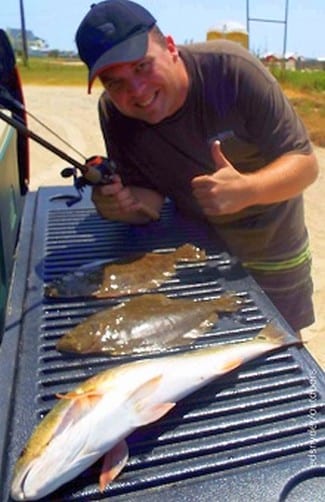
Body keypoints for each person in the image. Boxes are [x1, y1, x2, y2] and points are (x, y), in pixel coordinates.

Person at [75, 0, 319, 333]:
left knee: (281, 346)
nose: (137, 91)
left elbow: (305, 163)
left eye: (142, 66)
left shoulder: (231, 70)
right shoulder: (114, 113)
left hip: (272, 249)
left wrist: (248, 190)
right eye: (114, 82)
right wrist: (119, 205)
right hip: (196, 253)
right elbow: (148, 199)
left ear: (171, 47)